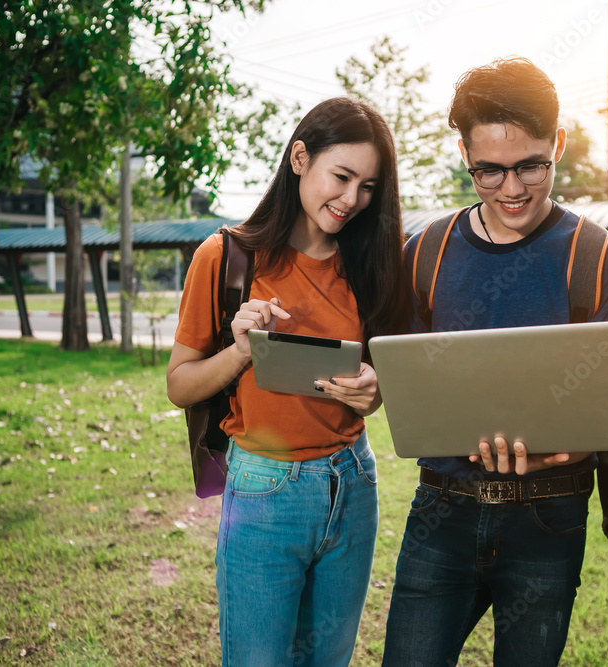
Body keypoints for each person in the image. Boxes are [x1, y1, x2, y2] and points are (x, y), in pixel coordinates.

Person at [382, 58, 608, 666]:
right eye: (488, 171)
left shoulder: (599, 258)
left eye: (531, 165)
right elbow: (409, 383)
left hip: (548, 520)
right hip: (440, 511)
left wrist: (576, 446)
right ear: (464, 154)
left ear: (560, 144)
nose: (512, 188)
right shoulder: (426, 253)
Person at [166, 97, 410, 666]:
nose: (352, 200)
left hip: (352, 483)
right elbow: (179, 384)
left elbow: (375, 385)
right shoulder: (228, 258)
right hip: (263, 491)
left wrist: (373, 393)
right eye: (342, 177)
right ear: (300, 158)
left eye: (368, 187)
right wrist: (241, 351)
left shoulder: (373, 262)